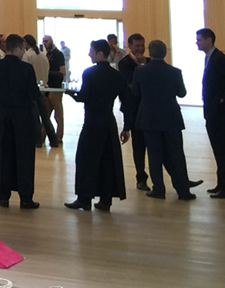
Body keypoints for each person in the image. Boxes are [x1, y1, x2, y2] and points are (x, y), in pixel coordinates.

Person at [130, 39, 199, 200]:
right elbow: (182, 93)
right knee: (177, 154)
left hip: (149, 118)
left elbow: (134, 92)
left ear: (150, 52)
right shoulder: (175, 72)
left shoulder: (140, 71)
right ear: (165, 53)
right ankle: (183, 190)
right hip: (171, 118)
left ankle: (158, 189)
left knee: (154, 155)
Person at [65, 40, 127, 211]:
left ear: (100, 54)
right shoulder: (117, 76)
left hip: (92, 122)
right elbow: (126, 101)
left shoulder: (89, 73)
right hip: (108, 122)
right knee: (107, 161)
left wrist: (71, 93)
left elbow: (84, 96)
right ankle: (106, 200)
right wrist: (127, 127)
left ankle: (84, 199)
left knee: (85, 159)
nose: (89, 54)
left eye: (91, 51)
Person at [0, 34, 43, 209]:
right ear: (18, 48)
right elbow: (33, 94)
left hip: (4, 115)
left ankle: (3, 196)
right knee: (24, 156)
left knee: (3, 154)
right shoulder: (26, 69)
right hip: (23, 116)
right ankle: (25, 197)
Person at [197, 28, 225, 199]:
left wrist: (223, 98)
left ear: (209, 40)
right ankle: (222, 183)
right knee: (218, 149)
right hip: (212, 111)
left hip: (219, 112)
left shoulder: (219, 59)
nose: (197, 42)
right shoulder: (211, 58)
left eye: (199, 39)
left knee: (223, 149)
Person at [116, 33, 149, 190]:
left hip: (150, 111)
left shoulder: (149, 62)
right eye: (137, 46)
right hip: (134, 112)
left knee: (157, 147)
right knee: (139, 148)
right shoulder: (124, 64)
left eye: (142, 45)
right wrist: (126, 125)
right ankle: (141, 178)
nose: (140, 49)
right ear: (129, 46)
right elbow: (131, 88)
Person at [23, 34, 59, 148]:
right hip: (43, 89)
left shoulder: (27, 56)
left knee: (34, 116)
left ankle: (37, 140)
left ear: (26, 43)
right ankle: (53, 139)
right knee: (45, 116)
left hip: (32, 89)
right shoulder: (43, 56)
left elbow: (26, 73)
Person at [43, 34, 67, 141]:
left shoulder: (58, 54)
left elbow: (62, 72)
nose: (45, 43)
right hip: (48, 88)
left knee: (58, 115)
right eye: (43, 41)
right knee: (46, 114)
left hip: (56, 88)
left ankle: (59, 136)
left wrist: (48, 73)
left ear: (51, 41)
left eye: (46, 41)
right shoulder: (47, 55)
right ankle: (42, 136)